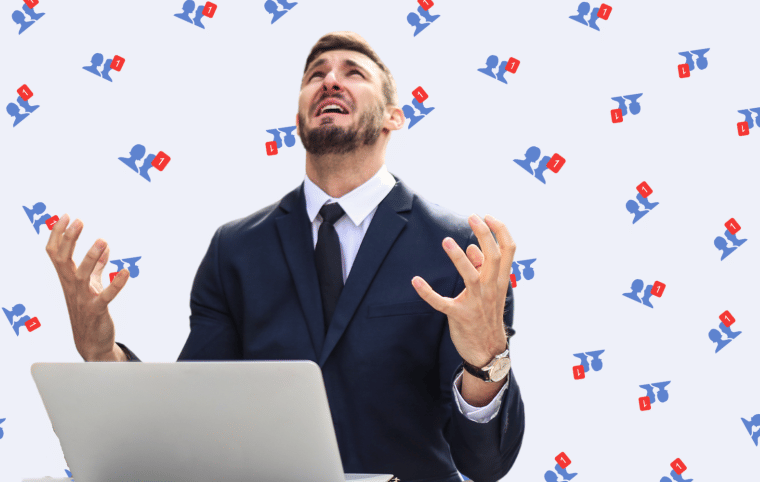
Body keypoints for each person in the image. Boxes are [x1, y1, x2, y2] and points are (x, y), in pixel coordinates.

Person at [45, 31, 524, 482]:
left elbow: (485, 463)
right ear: (297, 121)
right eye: (315, 75)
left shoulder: (462, 251)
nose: (330, 79)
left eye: (353, 72)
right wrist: (101, 353)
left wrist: (486, 359)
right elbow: (190, 420)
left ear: (393, 118)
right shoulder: (234, 250)